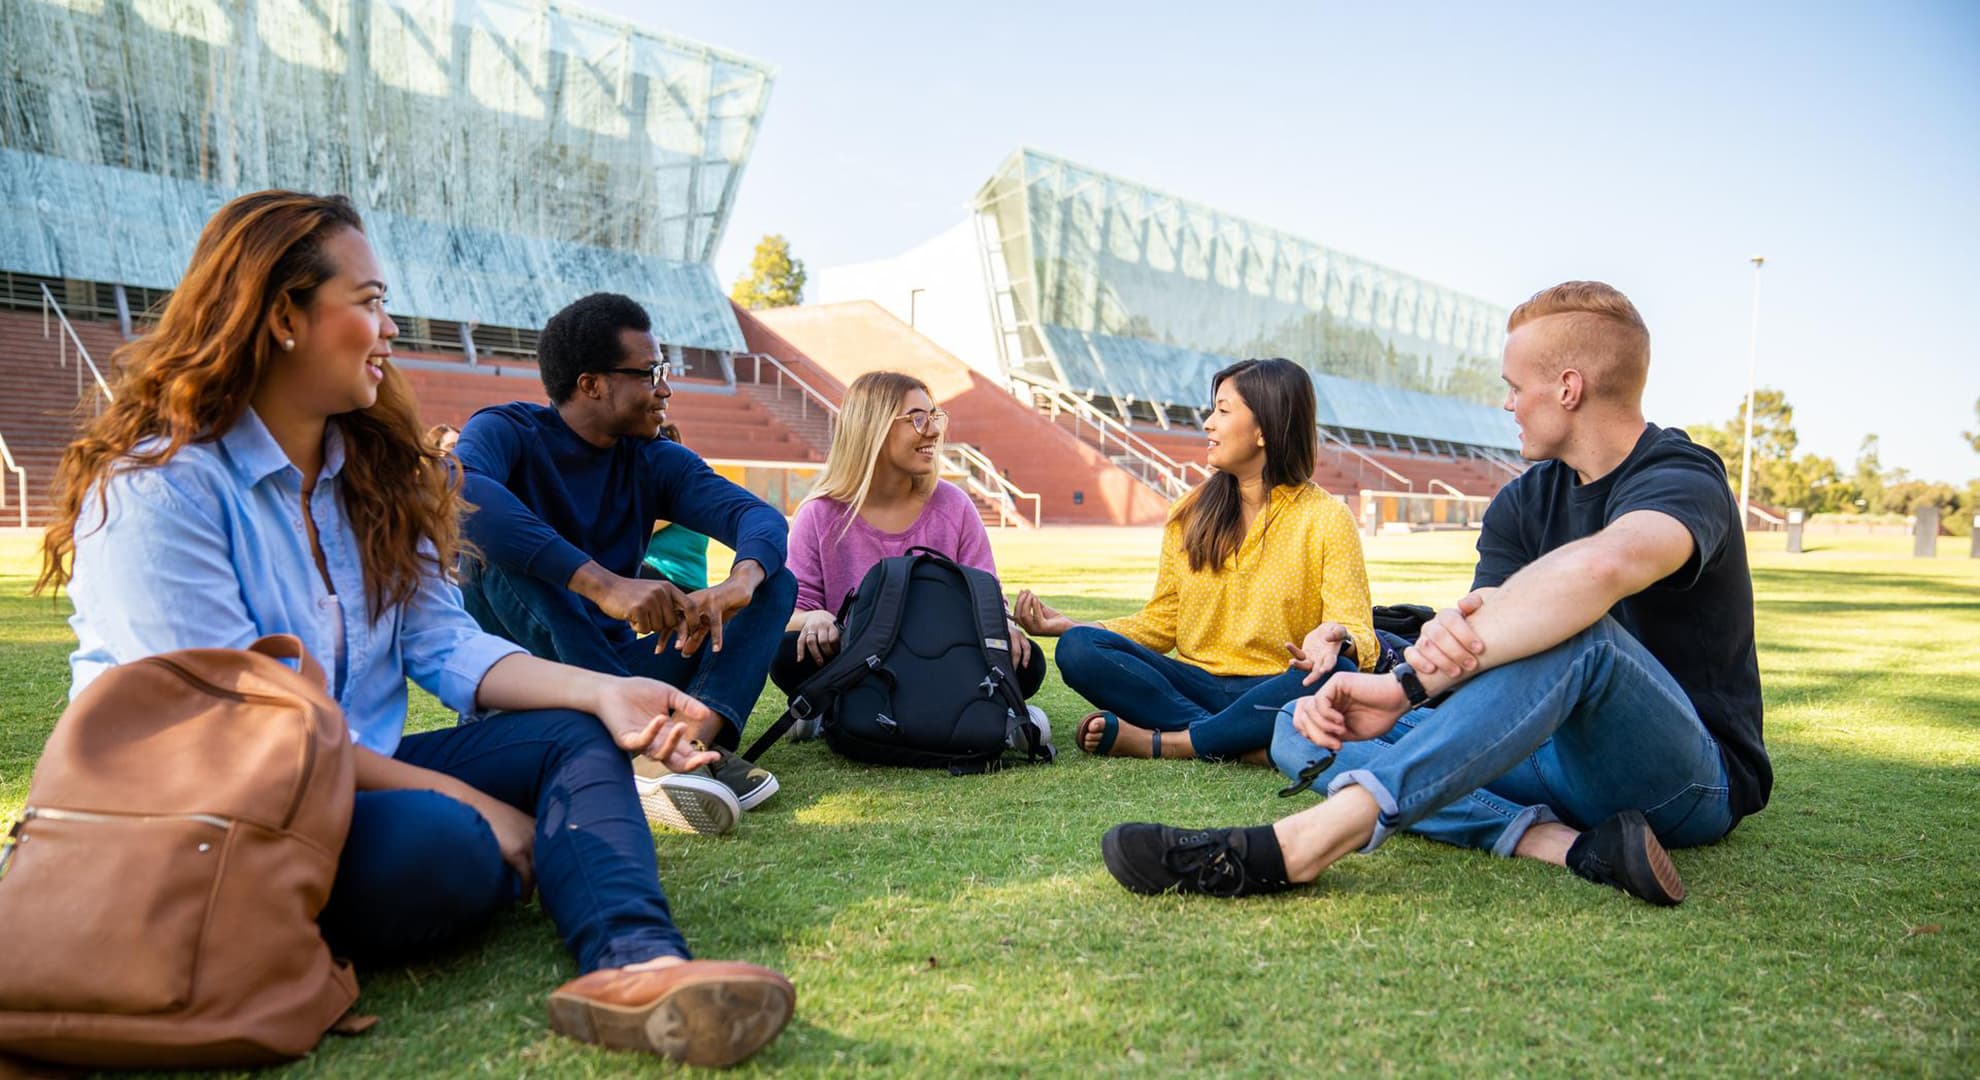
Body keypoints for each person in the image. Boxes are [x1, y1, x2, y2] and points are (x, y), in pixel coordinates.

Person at [36, 191, 793, 1067]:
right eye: (368, 302)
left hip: (349, 779)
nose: (390, 328)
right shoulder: (159, 488)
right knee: (449, 846)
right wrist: (471, 801)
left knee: (574, 737)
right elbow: (245, 733)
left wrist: (607, 693)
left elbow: (448, 646)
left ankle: (636, 963)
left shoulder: (372, 482)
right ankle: (486, 858)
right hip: (209, 811)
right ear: (284, 315)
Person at [1099, 282, 1770, 908]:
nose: (1506, 404)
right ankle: (1565, 846)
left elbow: (1603, 569)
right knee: (1297, 726)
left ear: (1569, 388)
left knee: (1577, 631)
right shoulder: (1522, 502)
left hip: (1683, 779)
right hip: (1546, 756)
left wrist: (1403, 688)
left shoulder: (1682, 476)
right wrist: (1406, 687)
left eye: (1515, 387)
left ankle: (1308, 842)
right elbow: (1482, 647)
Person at [452, 293, 797, 834]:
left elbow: (758, 518)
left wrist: (739, 583)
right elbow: (463, 493)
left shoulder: (655, 458)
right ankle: (643, 742)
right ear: (591, 383)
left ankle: (684, 742)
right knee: (495, 555)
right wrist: (603, 585)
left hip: (624, 667)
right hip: (530, 679)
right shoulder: (508, 431)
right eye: (650, 372)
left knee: (775, 580)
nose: (665, 388)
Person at [1012, 358, 1376, 763]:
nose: (1208, 423)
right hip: (1191, 682)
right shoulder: (1190, 511)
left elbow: (1359, 630)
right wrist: (1071, 626)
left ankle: (1173, 743)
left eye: (1223, 410)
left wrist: (1335, 636)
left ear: (1264, 429)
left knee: (1335, 671)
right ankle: (1243, 743)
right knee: (1079, 649)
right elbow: (1162, 622)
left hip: (1277, 684)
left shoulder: (1327, 517)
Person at [774, 372, 1048, 739]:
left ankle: (833, 711)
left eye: (935, 417)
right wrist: (815, 618)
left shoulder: (954, 506)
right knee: (788, 653)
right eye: (918, 419)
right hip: (858, 661)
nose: (933, 431)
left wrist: (1006, 626)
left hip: (941, 658)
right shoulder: (820, 514)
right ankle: (980, 709)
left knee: (1028, 660)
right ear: (872, 428)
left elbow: (987, 596)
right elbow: (790, 612)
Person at [640, 423, 712, 593]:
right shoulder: (683, 485)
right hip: (682, 581)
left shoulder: (673, 491)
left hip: (674, 580)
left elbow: (632, 533)